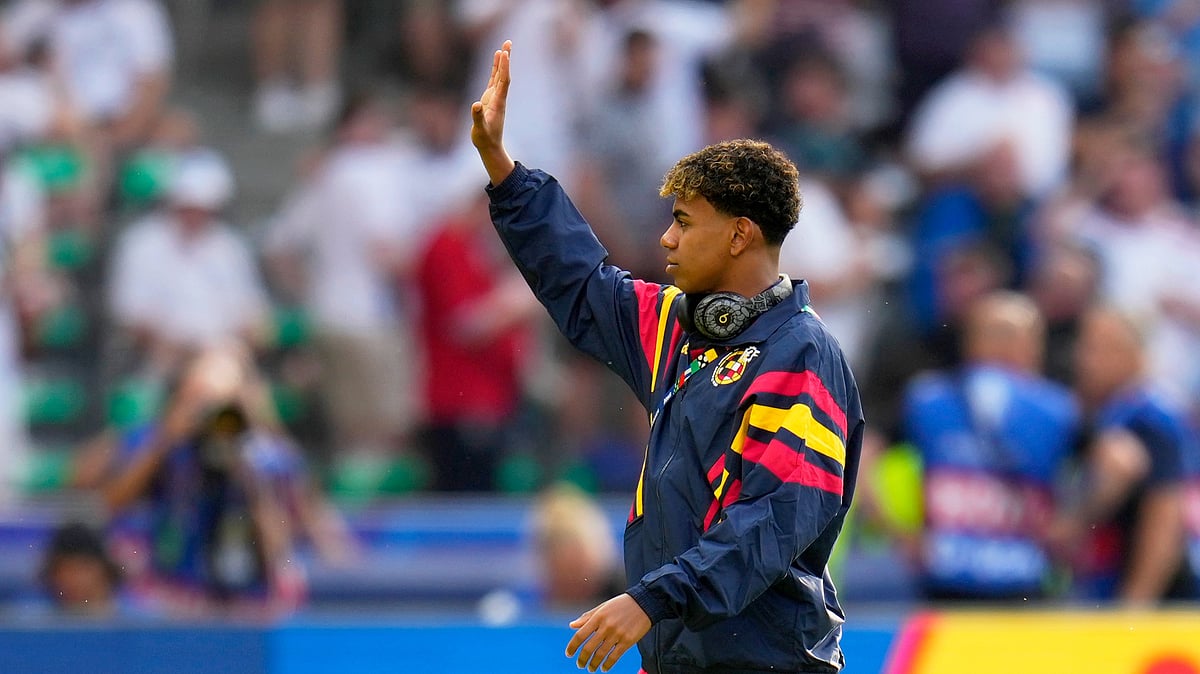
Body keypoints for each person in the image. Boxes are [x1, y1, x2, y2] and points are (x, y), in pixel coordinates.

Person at [471, 41, 864, 673]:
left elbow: (774, 518)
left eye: (683, 221)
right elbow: (584, 283)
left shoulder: (801, 355)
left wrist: (653, 598)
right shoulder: (679, 330)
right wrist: (504, 170)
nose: (666, 238)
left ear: (739, 234)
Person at [900, 292, 1079, 601]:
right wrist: (902, 533)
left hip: (1025, 582)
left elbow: (1117, 460)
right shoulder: (927, 400)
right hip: (946, 582)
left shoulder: (1060, 410)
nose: (1003, 346)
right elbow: (866, 453)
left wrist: (1072, 522)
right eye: (994, 334)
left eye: (1012, 335)